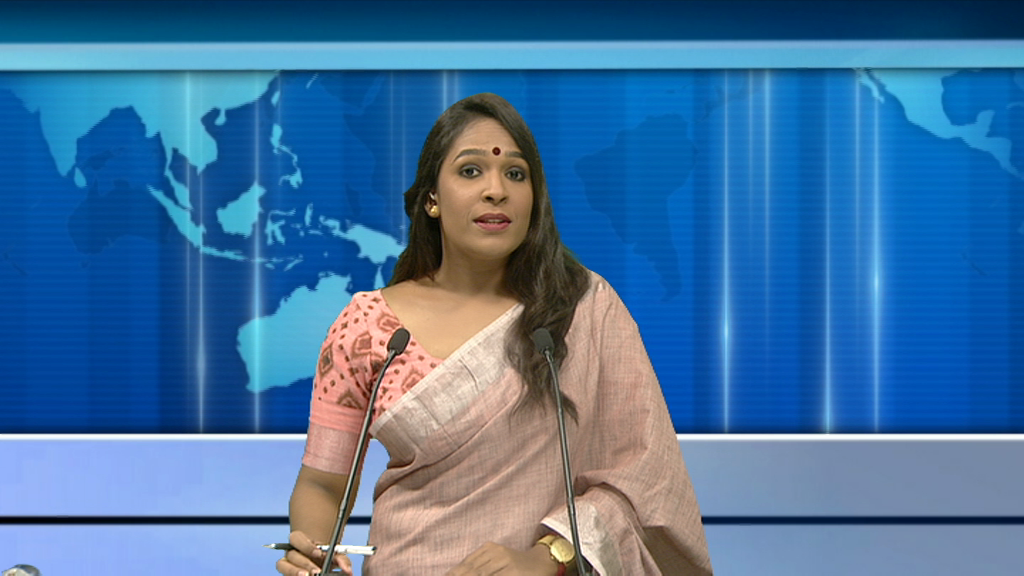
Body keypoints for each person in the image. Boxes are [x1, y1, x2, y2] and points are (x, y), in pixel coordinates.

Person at [277, 93, 713, 576]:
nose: (496, 190)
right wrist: (316, 557)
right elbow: (322, 485)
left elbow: (643, 476)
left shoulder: (580, 308)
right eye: (470, 171)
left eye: (516, 174)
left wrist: (549, 556)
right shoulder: (368, 327)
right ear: (431, 199)